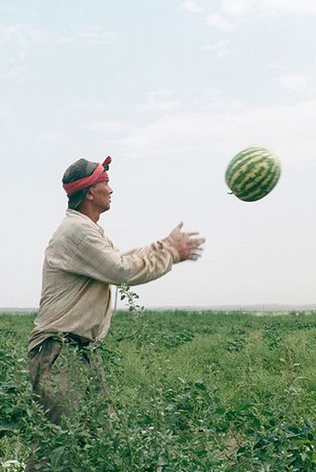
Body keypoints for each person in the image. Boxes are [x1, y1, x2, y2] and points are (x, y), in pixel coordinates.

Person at [27, 155, 204, 424]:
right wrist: (170, 253)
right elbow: (122, 270)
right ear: (89, 193)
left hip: (79, 351)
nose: (110, 190)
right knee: (61, 446)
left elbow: (121, 259)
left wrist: (165, 245)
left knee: (96, 439)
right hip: (59, 351)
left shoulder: (88, 230)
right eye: (105, 184)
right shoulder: (77, 231)